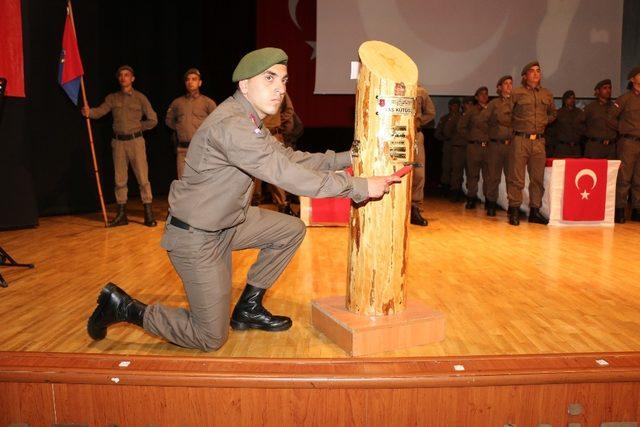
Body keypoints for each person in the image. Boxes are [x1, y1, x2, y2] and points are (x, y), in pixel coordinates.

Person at [86, 48, 401, 352]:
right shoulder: (232, 125)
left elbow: (288, 158)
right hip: (197, 236)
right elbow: (284, 173)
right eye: (269, 79)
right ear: (244, 84)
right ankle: (126, 308)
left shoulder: (248, 120)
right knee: (209, 336)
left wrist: (346, 158)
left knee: (290, 229)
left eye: (284, 80)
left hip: (229, 223)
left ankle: (248, 309)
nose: (279, 89)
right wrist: (357, 187)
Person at [82, 65, 158, 227]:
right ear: (118, 79)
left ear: (132, 78)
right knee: (120, 179)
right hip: (118, 144)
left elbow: (153, 119)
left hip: (136, 142)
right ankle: (121, 215)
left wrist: (138, 127)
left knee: (143, 179)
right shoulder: (112, 98)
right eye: (121, 75)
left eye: (127, 75)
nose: (123, 78)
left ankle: (148, 214)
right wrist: (89, 112)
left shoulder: (140, 98)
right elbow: (100, 111)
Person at [506, 61, 557, 226]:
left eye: (538, 71)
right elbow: (506, 114)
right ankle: (513, 210)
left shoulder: (547, 94)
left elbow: (553, 114)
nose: (536, 74)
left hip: (539, 141)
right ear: (524, 76)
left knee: (537, 178)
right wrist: (518, 126)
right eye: (532, 71)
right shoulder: (516, 93)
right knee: (517, 178)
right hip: (521, 139)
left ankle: (535, 211)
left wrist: (543, 121)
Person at [165, 68, 217, 179]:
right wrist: (179, 128)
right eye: (188, 80)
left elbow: (217, 122)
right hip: (183, 149)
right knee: (183, 181)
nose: (190, 82)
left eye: (194, 79)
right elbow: (168, 120)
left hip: (201, 148)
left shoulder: (207, 102)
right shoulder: (177, 103)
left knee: (202, 180)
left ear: (200, 82)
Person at [256, 92, 298, 215]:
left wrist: (279, 119)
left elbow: (289, 110)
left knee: (276, 169)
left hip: (274, 135)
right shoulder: (254, 88)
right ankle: (252, 204)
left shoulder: (279, 90)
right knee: (254, 169)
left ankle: (283, 205)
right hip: (256, 134)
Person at [612, 66, 640, 223]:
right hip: (628, 142)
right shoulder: (624, 99)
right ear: (632, 79)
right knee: (624, 178)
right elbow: (610, 118)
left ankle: (637, 210)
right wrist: (622, 130)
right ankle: (620, 210)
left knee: (639, 178)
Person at [485, 75, 513, 217]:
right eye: (506, 83)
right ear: (499, 87)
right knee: (493, 176)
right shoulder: (494, 103)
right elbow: (483, 120)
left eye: (510, 83)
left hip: (512, 146)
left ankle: (513, 206)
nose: (509, 86)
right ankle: (491, 204)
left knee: (512, 178)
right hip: (496, 145)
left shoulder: (517, 103)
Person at [458, 86, 490, 209]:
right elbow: (461, 127)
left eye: (486, 94)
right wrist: (471, 137)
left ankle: (489, 199)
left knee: (489, 175)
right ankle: (471, 198)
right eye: (481, 94)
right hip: (474, 147)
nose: (484, 96)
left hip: (488, 147)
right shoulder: (471, 111)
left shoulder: (491, 109)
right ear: (476, 97)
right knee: (472, 175)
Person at [411, 83, 436, 225]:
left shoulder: (420, 91)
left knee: (418, 172)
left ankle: (414, 207)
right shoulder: (389, 85)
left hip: (415, 135)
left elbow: (431, 113)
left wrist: (419, 121)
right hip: (393, 135)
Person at [583, 79, 617, 160]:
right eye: (605, 88)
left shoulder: (615, 107)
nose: (608, 90)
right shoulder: (590, 107)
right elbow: (579, 124)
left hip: (611, 148)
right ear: (597, 91)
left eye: (610, 88)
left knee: (611, 172)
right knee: (594, 171)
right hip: (595, 147)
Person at [449, 97, 475, 202]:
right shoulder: (457, 117)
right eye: (468, 103)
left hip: (471, 147)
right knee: (457, 172)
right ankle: (455, 193)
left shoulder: (475, 117)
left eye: (472, 103)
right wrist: (455, 139)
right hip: (459, 148)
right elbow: (447, 131)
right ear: (463, 105)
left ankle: (471, 195)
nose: (470, 105)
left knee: (471, 173)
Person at [547, 90, 585, 158]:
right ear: (564, 100)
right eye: (569, 98)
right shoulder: (558, 113)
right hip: (562, 148)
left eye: (573, 98)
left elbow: (583, 129)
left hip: (576, 148)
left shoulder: (580, 113)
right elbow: (552, 132)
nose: (572, 100)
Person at [435, 98, 461, 195]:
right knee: (446, 167)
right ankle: (445, 187)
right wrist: (445, 138)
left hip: (459, 146)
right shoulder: (444, 118)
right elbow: (437, 133)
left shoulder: (462, 117)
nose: (454, 107)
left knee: (457, 168)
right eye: (453, 105)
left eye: (456, 105)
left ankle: (455, 189)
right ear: (449, 106)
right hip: (448, 145)